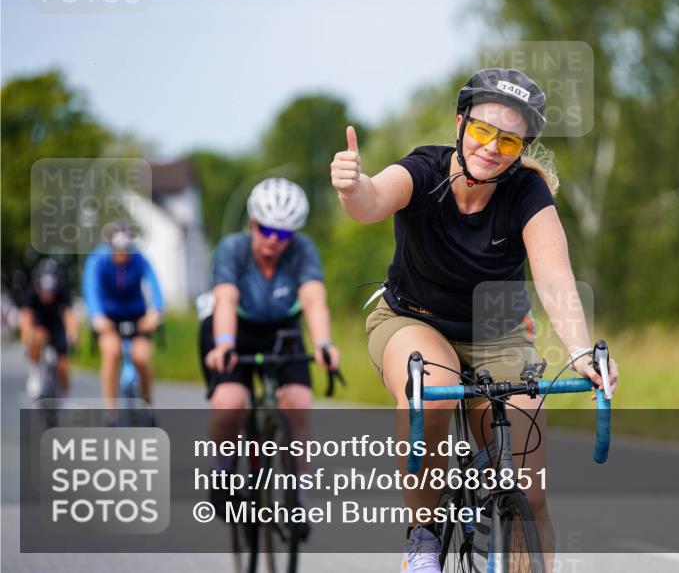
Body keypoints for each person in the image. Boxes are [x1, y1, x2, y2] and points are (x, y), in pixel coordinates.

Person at [331, 68, 619, 572]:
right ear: (460, 124)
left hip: (497, 330)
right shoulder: (423, 170)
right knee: (432, 386)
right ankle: (423, 533)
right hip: (412, 319)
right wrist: (352, 188)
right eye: (483, 131)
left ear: (521, 146)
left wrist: (579, 350)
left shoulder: (526, 193)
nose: (492, 147)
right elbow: (371, 202)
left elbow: (554, 278)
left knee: (530, 492)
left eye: (509, 140)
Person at [200, 177, 341, 517]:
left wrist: (323, 343)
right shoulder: (232, 249)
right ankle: (222, 472)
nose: (273, 241)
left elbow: (313, 299)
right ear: (252, 223)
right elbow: (225, 299)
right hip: (232, 326)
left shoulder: (302, 250)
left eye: (283, 234)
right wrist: (223, 344)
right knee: (230, 401)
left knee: (298, 402)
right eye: (266, 231)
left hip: (281, 329)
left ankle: (297, 496)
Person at [82, 221, 164, 409]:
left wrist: (155, 312)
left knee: (142, 358)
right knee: (111, 353)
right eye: (118, 250)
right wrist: (96, 315)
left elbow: (154, 284)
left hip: (137, 315)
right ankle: (110, 411)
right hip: (108, 317)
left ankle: (148, 404)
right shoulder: (98, 260)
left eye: (126, 249)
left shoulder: (139, 259)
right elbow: (91, 288)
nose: (122, 254)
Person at [20, 259, 78, 397]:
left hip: (57, 326)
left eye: (51, 290)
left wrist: (73, 333)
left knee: (63, 367)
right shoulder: (31, 291)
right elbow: (26, 316)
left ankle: (63, 398)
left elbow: (69, 314)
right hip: (39, 326)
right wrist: (26, 334)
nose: (47, 294)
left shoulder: (63, 291)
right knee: (35, 338)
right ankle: (35, 374)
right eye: (45, 291)